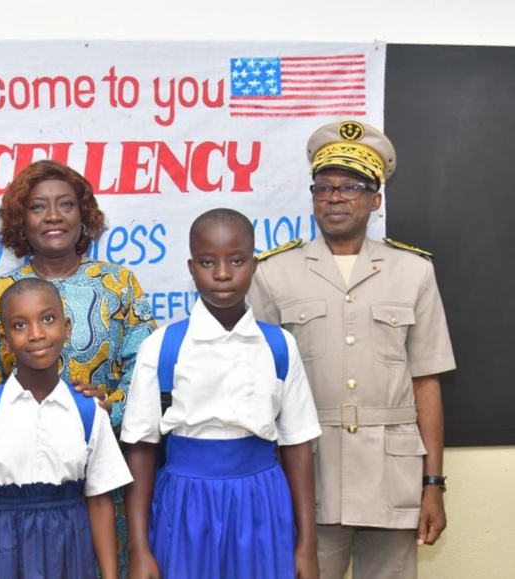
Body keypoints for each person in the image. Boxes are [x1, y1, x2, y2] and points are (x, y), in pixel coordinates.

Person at [248, 120, 456, 579]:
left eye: (351, 187)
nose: (335, 197)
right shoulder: (273, 274)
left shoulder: (413, 272)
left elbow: (426, 381)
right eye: (323, 187)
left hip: (392, 478)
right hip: (308, 478)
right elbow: (259, 389)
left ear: (375, 200)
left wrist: (433, 485)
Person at [0, 159, 156, 576]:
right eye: (37, 207)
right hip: (18, 488)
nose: (53, 216)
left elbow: (147, 372)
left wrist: (109, 408)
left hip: (102, 473)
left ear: (84, 215)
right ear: (19, 221)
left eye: (65, 204)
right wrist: (26, 423)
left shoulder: (118, 283)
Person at [122, 208, 322, 578]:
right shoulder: (163, 347)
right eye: (207, 262)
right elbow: (140, 448)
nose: (223, 274)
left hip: (261, 503)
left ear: (255, 264)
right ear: (190, 266)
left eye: (237, 260)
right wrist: (139, 549)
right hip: (185, 506)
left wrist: (307, 546)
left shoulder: (279, 346)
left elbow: (297, 445)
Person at [0, 278, 132, 579]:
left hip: (68, 552)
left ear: (67, 328)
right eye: (19, 325)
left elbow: (99, 501)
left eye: (48, 319)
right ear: (4, 340)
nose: (37, 334)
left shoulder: (88, 412)